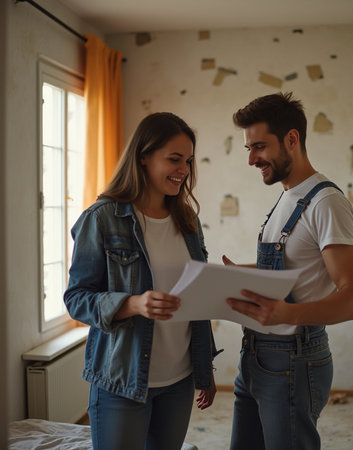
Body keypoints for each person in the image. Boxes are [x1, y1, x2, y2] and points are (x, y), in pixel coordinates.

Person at [64, 112, 220, 450]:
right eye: (174, 159)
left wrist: (204, 370)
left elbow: (197, 297)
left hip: (179, 380)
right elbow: (76, 298)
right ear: (144, 157)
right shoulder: (101, 218)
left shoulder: (188, 220)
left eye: (188, 161)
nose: (184, 170)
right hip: (122, 381)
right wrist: (132, 304)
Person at [223, 92, 353, 450]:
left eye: (259, 147)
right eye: (248, 149)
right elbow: (294, 267)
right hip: (255, 355)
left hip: (293, 358)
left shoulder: (327, 203)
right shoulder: (287, 196)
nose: (252, 159)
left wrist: (288, 313)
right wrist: (237, 275)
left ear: (292, 138)